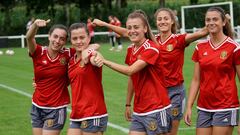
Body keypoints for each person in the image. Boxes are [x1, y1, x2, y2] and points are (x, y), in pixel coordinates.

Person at [93, 8, 208, 135]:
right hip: (154, 94)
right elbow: (128, 32)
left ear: (172, 22)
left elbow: (202, 32)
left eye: (166, 18)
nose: (162, 21)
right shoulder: (152, 40)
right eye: (159, 19)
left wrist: (216, 24)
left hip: (173, 92)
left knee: (171, 132)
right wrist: (104, 24)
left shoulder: (177, 40)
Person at [94, 10, 172, 135]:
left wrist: (105, 61)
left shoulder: (151, 48)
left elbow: (130, 71)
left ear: (145, 29)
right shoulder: (131, 49)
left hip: (157, 108)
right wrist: (127, 104)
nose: (132, 30)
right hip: (139, 109)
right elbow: (133, 77)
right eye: (129, 27)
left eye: (136, 27)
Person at [184, 7, 240, 135]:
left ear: (224, 22)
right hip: (204, 107)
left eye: (215, 19)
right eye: (208, 20)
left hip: (226, 106)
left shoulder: (234, 48)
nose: (211, 22)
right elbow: (196, 79)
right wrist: (189, 106)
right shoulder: (200, 47)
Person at [26, 19, 73, 135]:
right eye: (55, 36)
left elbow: (87, 47)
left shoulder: (68, 54)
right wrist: (35, 25)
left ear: (65, 41)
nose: (57, 41)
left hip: (56, 108)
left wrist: (94, 50)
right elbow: (29, 38)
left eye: (62, 39)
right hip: (37, 105)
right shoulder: (38, 52)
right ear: (49, 37)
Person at [66, 22, 107, 135]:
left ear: (89, 38)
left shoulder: (91, 56)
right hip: (76, 113)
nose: (79, 41)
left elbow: (96, 57)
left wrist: (97, 58)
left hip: (93, 112)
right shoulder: (71, 60)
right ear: (71, 40)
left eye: (82, 37)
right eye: (75, 38)